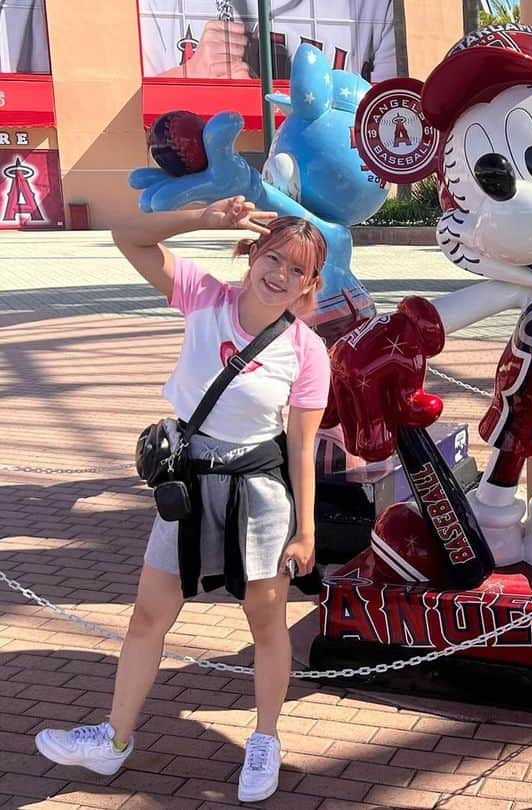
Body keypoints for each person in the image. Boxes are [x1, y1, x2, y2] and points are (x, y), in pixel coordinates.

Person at [33, 197, 331, 805]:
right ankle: (114, 739)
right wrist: (200, 218)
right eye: (273, 257)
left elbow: (302, 449)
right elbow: (128, 235)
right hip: (188, 488)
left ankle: (265, 740)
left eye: (296, 270)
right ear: (252, 256)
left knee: (266, 622)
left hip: (260, 493)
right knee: (148, 615)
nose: (280, 274)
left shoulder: (306, 351)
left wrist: (307, 531)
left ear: (310, 284)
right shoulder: (205, 297)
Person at [139, 0, 397, 83]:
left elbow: (395, 120)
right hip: (206, 203)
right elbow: (125, 122)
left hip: (329, 197)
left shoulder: (374, 6)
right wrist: (189, 76)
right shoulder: (161, 5)